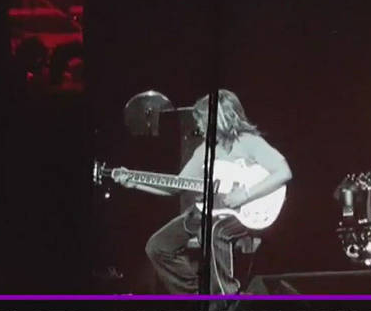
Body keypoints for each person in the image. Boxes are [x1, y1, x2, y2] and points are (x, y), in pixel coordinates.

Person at [114, 89, 292, 294]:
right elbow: (177, 186)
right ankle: (195, 297)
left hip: (244, 212)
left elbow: (283, 172)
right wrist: (135, 182)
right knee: (158, 246)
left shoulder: (248, 142)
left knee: (214, 231)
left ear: (218, 119)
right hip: (209, 211)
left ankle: (226, 299)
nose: (198, 124)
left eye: (201, 119)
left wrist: (244, 195)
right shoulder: (203, 151)